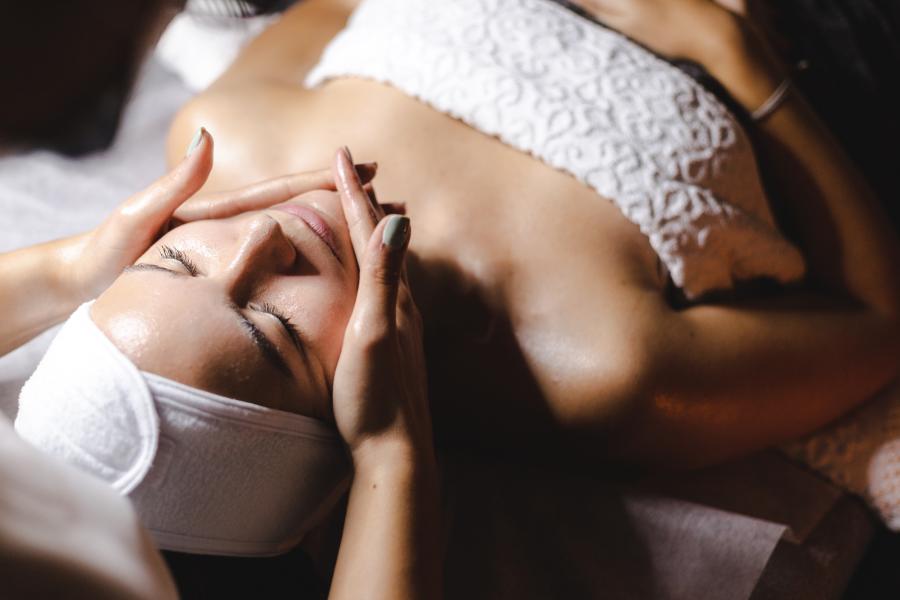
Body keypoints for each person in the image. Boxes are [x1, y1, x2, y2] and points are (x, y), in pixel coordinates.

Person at [154, 0, 899, 468]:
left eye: (179, 265)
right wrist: (732, 54)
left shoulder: (219, 144)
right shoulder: (597, 368)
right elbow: (877, 321)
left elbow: (332, 8)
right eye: (268, 325)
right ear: (340, 413)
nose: (263, 243)